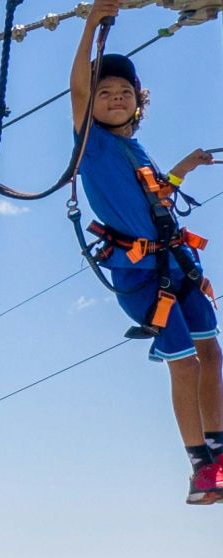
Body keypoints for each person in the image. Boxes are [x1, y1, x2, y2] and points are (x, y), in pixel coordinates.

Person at [72, 0, 222, 504]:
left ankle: (219, 452)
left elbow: (159, 200)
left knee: (211, 353)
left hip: (176, 265)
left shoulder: (137, 149)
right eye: (106, 93)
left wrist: (185, 166)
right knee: (185, 364)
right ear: (91, 104)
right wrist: (94, 24)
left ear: (139, 101)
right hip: (141, 277)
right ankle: (201, 468)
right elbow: (77, 90)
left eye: (125, 93)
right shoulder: (91, 145)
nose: (116, 99)